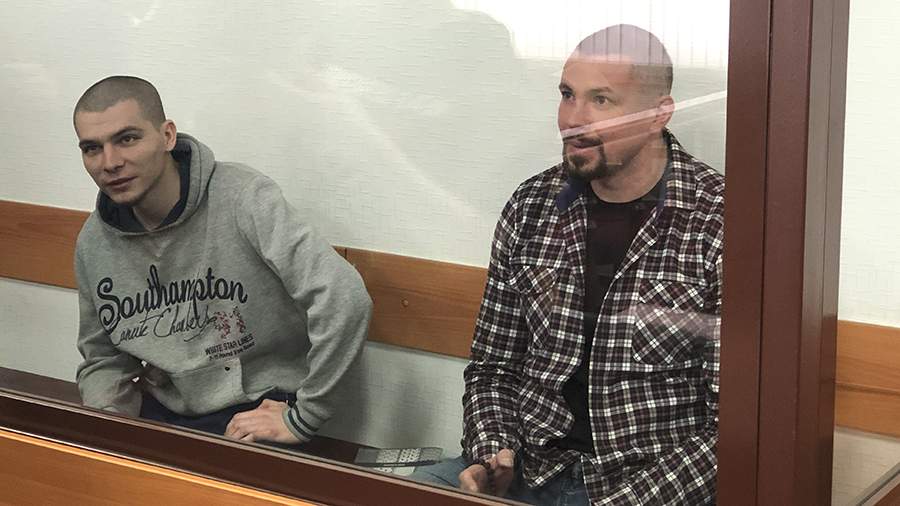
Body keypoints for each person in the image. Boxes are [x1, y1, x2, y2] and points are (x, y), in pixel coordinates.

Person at [413, 24, 723, 505]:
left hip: (640, 486)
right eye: (567, 94)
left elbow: (731, 428)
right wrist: (491, 455)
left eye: (601, 100)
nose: (573, 119)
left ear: (658, 114)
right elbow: (494, 367)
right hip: (532, 471)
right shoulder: (533, 205)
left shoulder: (717, 220)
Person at [72, 76, 372, 446]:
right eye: (92, 148)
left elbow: (344, 299)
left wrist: (304, 417)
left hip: (255, 409)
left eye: (127, 139)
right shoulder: (94, 241)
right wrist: (109, 426)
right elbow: (103, 359)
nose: (111, 162)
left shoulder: (244, 198)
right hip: (164, 409)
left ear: (167, 136)